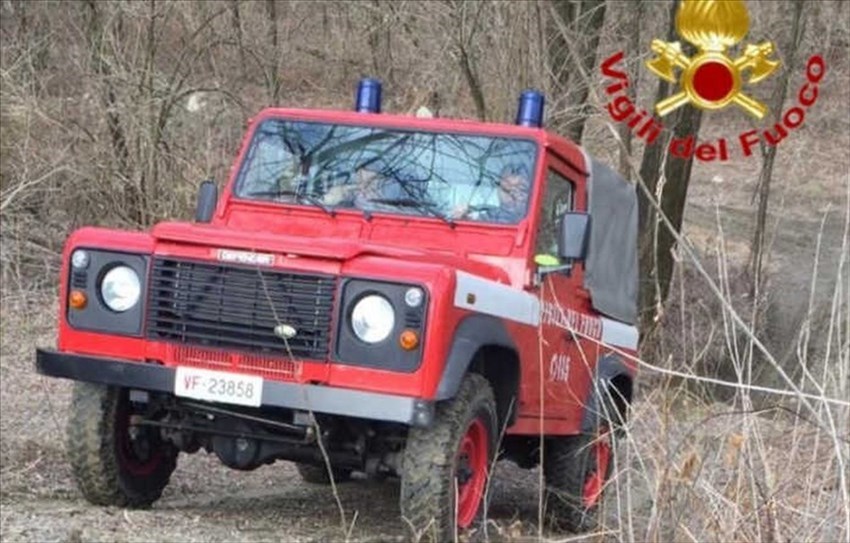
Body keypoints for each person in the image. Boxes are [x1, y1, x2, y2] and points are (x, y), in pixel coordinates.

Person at [451, 165, 530, 223]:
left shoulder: (536, 220)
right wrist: (463, 217)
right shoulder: (492, 215)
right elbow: (476, 224)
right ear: (498, 191)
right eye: (506, 190)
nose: (513, 195)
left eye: (521, 190)